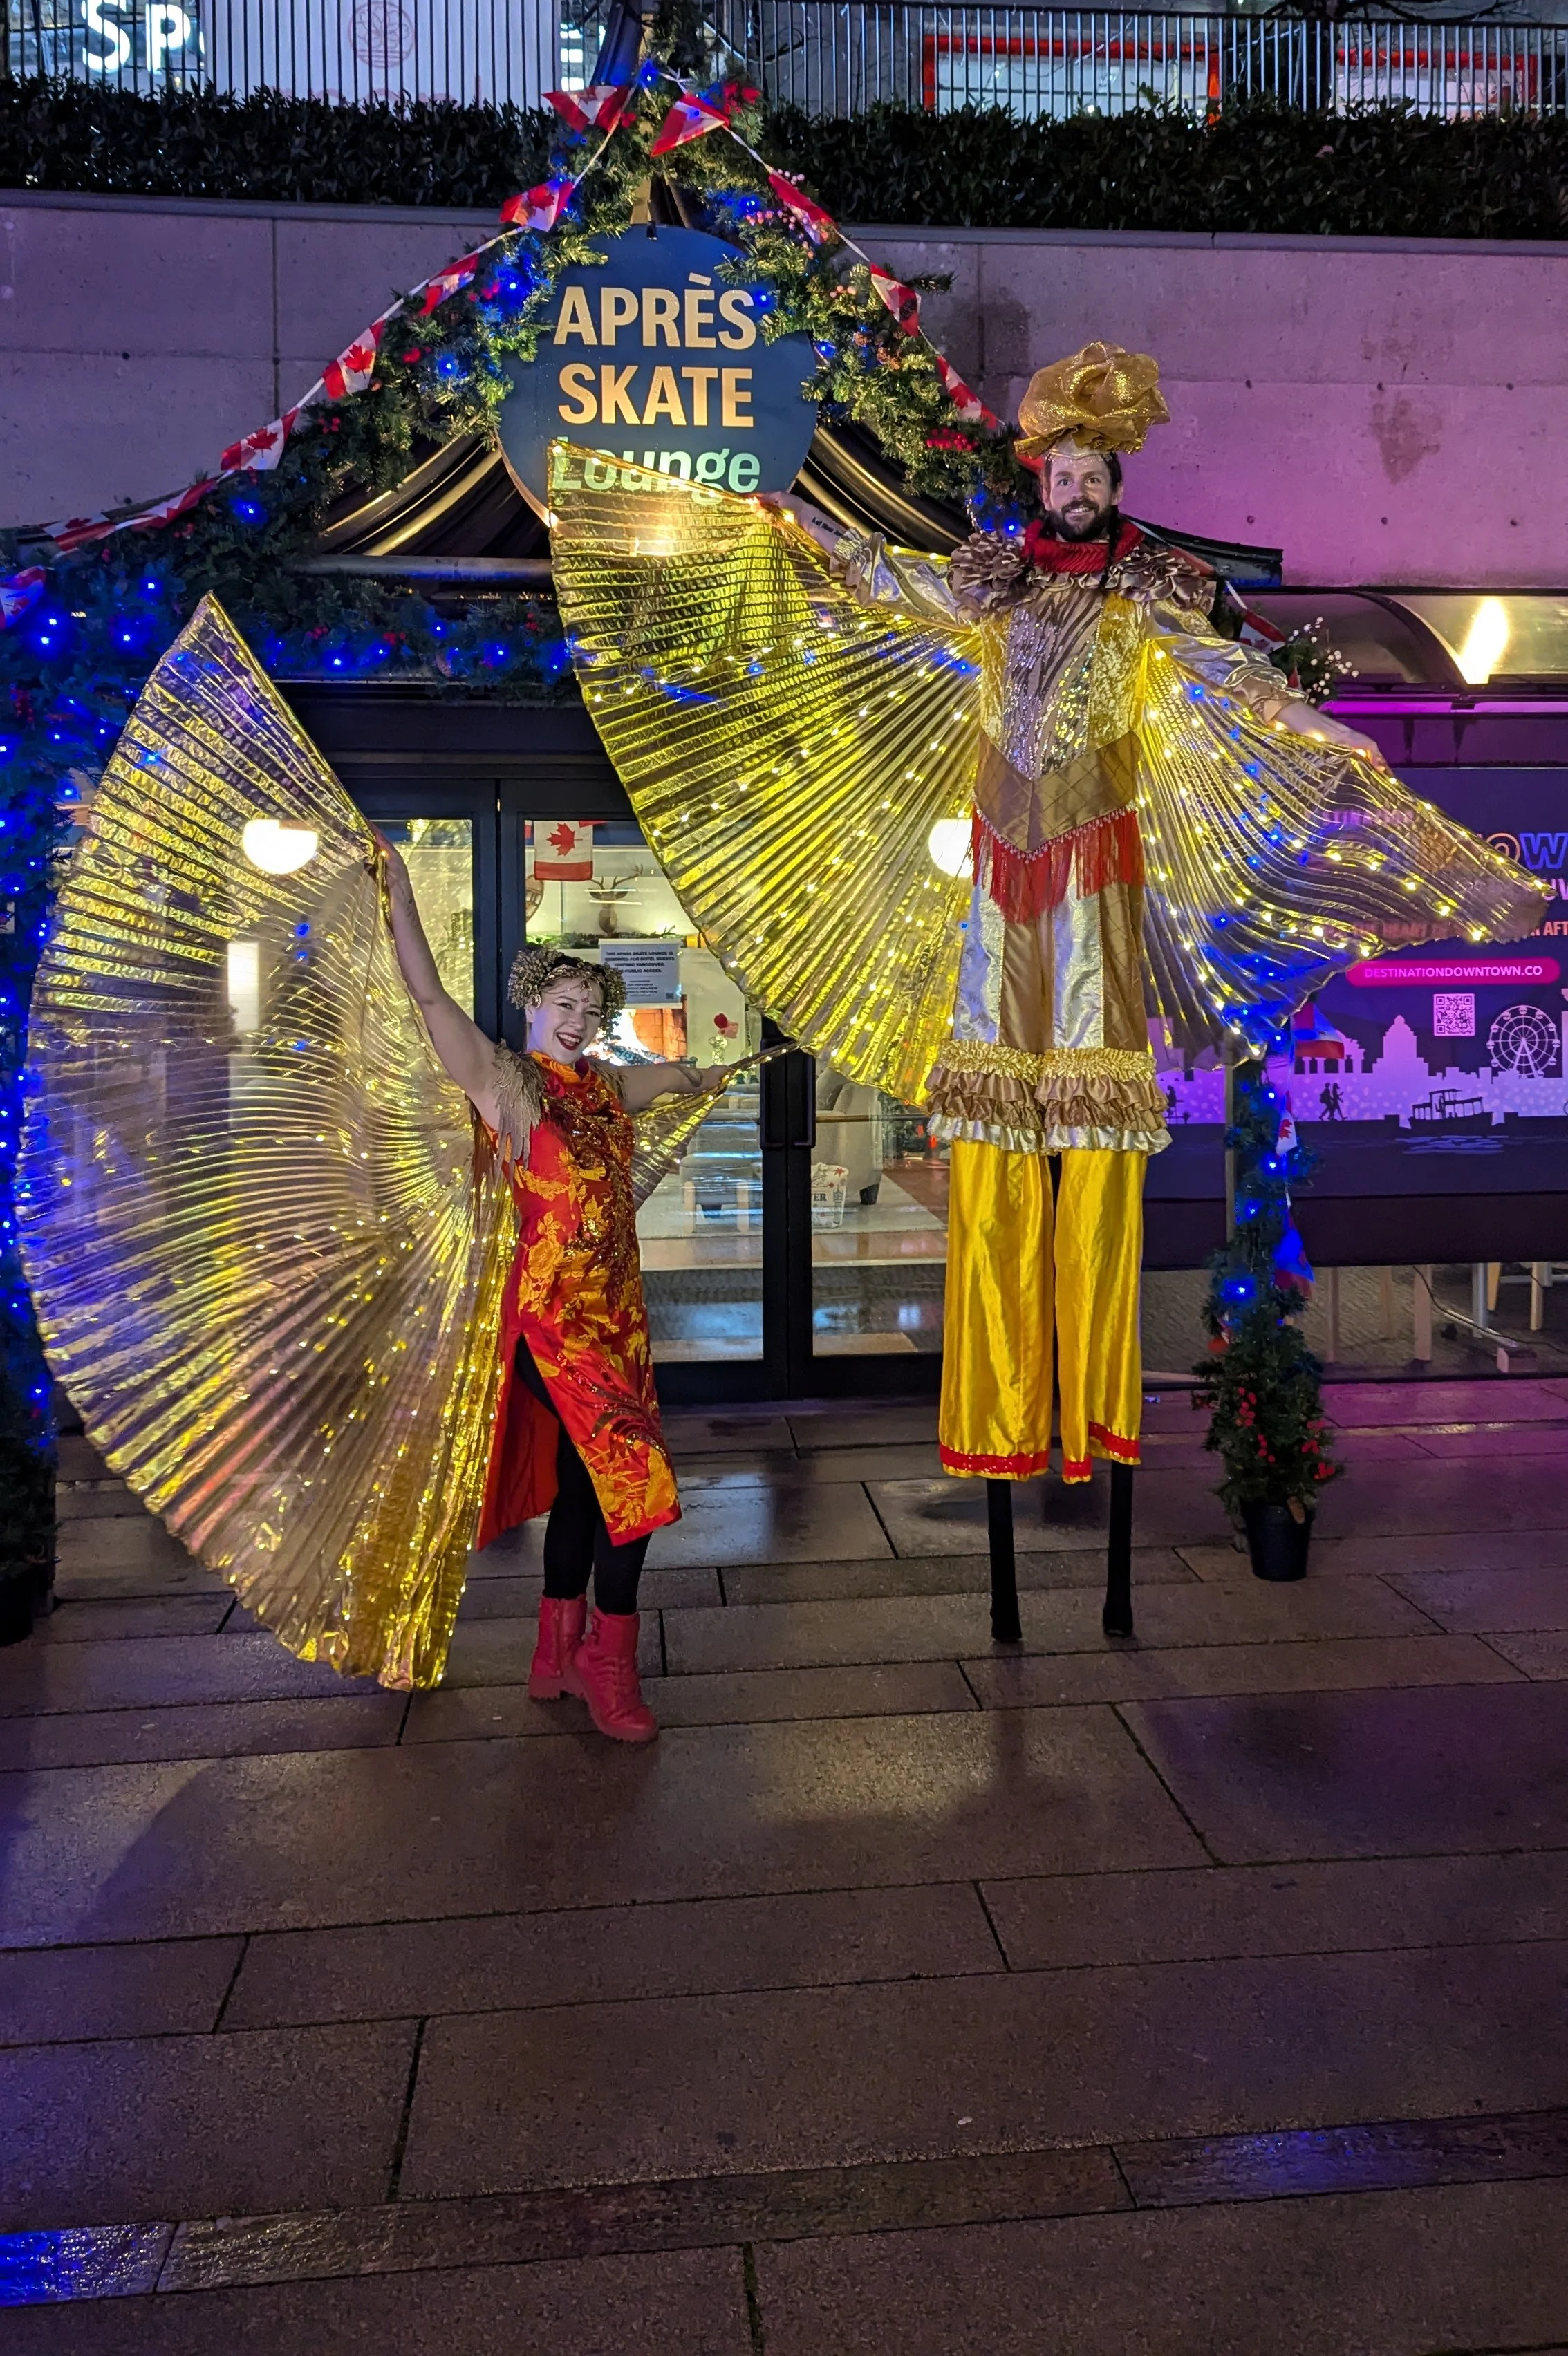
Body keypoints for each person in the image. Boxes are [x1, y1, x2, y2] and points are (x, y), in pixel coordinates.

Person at [548, 339, 1542, 1511]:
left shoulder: (1153, 584)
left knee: (1086, 1094)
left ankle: (1087, 1408)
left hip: (1093, 871)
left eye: (1088, 465)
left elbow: (1232, 680)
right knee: (1000, 1111)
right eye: (1056, 465)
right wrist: (799, 522)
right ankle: (1009, 1405)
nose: (1070, 481)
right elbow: (887, 581)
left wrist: (1336, 738)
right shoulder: (990, 577)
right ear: (1039, 476)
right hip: (1002, 871)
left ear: (1116, 474)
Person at [382, 845, 724, 1741]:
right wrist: (404, 901)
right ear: (531, 1004)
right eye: (561, 1004)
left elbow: (670, 1079)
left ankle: (552, 1655)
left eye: (588, 1008)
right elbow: (429, 1002)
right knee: (635, 1486)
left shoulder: (605, 1090)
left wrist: (705, 1072)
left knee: (584, 1489)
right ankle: (607, 1668)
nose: (574, 1020)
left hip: (619, 1329)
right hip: (551, 1330)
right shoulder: (507, 1088)